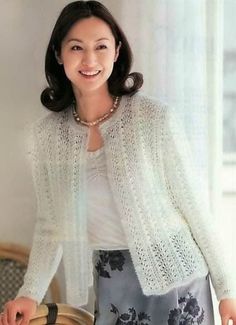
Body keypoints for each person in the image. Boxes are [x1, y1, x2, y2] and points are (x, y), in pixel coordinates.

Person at [0, 1, 236, 324]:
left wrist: (227, 291)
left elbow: (196, 209)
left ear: (116, 51)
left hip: (177, 281)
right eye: (76, 47)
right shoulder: (48, 138)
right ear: (59, 54)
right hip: (113, 282)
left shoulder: (153, 120)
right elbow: (50, 226)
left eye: (101, 46)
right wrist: (29, 293)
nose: (90, 59)